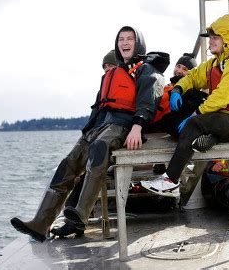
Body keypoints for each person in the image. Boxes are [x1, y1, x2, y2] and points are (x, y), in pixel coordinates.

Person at [10, 26, 169, 241]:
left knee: (99, 149)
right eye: (121, 39)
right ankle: (40, 223)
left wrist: (138, 126)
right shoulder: (112, 74)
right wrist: (85, 134)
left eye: (130, 38)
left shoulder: (146, 70)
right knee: (68, 164)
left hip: (122, 125)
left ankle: (80, 214)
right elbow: (98, 108)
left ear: (138, 43)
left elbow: (148, 100)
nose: (125, 42)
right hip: (98, 127)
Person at [140, 14, 229, 198]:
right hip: (223, 118)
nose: (211, 42)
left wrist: (196, 114)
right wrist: (177, 90)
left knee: (193, 123)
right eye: (210, 38)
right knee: (173, 124)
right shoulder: (214, 62)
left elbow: (223, 96)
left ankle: (171, 181)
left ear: (227, 39)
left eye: (215, 38)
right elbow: (193, 76)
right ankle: (212, 136)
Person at [51, 50, 117, 238]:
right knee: (69, 169)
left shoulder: (124, 86)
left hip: (110, 143)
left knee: (88, 173)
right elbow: (94, 120)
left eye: (111, 66)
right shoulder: (102, 91)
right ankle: (59, 218)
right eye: (105, 67)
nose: (107, 69)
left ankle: (74, 222)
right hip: (94, 139)